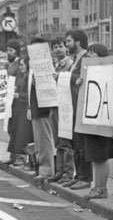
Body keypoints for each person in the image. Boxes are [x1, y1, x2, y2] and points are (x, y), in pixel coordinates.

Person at [81, 43, 113, 199]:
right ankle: (97, 186)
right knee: (94, 155)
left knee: (101, 155)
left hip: (103, 118)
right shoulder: (88, 71)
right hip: (91, 118)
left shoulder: (108, 72)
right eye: (89, 52)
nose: (89, 55)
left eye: (93, 53)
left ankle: (102, 188)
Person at [64, 29, 93, 190]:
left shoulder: (87, 58)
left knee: (82, 144)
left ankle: (85, 177)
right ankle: (78, 175)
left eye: (68, 41)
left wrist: (68, 77)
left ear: (78, 42)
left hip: (82, 106)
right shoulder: (74, 59)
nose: (66, 44)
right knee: (75, 143)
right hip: (73, 106)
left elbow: (86, 79)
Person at [47, 36, 75, 184]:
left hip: (65, 107)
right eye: (55, 47)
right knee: (57, 142)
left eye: (60, 46)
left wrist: (61, 77)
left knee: (66, 141)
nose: (58, 49)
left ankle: (68, 173)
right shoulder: (53, 65)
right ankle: (59, 171)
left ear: (66, 48)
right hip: (54, 105)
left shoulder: (70, 64)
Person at [27, 37, 56, 182]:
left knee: (45, 140)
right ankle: (41, 166)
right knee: (39, 140)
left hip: (44, 107)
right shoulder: (32, 65)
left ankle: (47, 169)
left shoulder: (48, 64)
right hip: (35, 106)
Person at [6, 56, 34, 168]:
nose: (20, 67)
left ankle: (24, 159)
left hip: (25, 110)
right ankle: (18, 157)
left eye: (22, 65)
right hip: (19, 109)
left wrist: (19, 95)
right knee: (17, 133)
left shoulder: (28, 78)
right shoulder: (23, 77)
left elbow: (30, 94)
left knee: (24, 135)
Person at [3, 39, 24, 165]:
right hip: (9, 100)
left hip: (16, 99)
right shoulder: (8, 65)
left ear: (17, 52)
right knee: (11, 128)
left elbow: (20, 81)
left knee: (17, 128)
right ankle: (13, 155)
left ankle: (20, 157)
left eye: (11, 50)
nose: (8, 53)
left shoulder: (19, 65)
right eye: (7, 50)